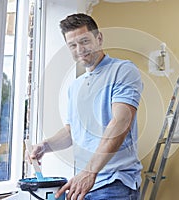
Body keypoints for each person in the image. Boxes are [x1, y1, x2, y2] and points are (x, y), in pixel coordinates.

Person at [27, 13, 143, 200]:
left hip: (114, 184)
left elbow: (121, 122)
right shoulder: (76, 86)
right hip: (83, 185)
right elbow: (73, 131)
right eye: (72, 45)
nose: (79, 49)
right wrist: (45, 146)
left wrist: (90, 172)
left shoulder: (122, 70)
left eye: (84, 41)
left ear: (99, 38)